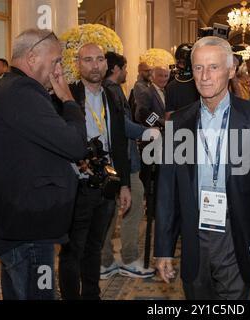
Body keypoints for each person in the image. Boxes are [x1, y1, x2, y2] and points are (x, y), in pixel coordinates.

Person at [154, 36, 250, 300]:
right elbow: (167, 190)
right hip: (194, 233)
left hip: (235, 231)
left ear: (230, 70)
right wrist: (164, 247)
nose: (204, 76)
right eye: (198, 67)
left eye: (213, 67)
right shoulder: (179, 121)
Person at [0, 29, 87, 300]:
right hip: (29, 228)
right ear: (33, 57)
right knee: (39, 294)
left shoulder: (12, 89)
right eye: (57, 60)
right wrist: (68, 100)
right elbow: (74, 144)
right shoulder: (22, 94)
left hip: (20, 223)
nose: (60, 69)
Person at [58, 43, 131, 300]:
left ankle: (92, 295)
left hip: (107, 184)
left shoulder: (112, 95)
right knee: (72, 250)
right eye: (88, 60)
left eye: (99, 59)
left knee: (95, 247)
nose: (95, 65)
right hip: (78, 185)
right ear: (78, 64)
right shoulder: (67, 96)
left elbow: (120, 142)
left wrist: (124, 184)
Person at [101, 52, 156, 279]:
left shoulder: (109, 89)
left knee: (111, 210)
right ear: (116, 69)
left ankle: (104, 260)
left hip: (116, 159)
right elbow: (121, 124)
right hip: (121, 160)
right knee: (133, 204)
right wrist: (146, 131)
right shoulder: (111, 90)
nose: (127, 72)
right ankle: (130, 258)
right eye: (125, 67)